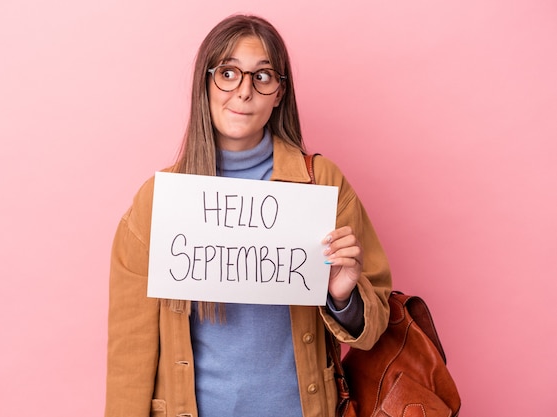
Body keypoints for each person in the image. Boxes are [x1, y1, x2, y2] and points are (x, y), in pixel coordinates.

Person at [105, 14, 391, 417]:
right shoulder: (158, 201)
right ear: (204, 85)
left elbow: (375, 326)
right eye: (228, 73)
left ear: (279, 93)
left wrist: (342, 296)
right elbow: (128, 353)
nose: (244, 92)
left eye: (262, 76)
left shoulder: (322, 184)